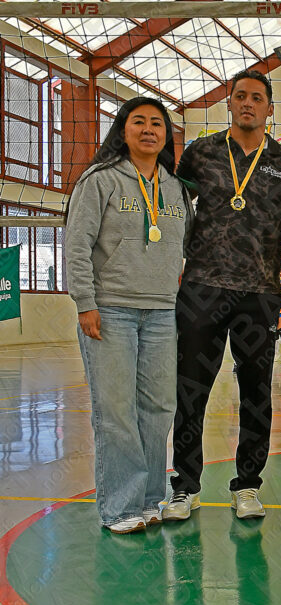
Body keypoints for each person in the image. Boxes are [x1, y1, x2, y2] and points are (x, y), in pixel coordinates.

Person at [165, 70, 281, 522]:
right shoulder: (199, 154)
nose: (248, 104)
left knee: (256, 394)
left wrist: (270, 254)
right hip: (202, 288)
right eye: (240, 96)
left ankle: (247, 485)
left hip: (260, 293)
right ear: (229, 103)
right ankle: (185, 487)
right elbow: (170, 207)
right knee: (191, 392)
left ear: (270, 108)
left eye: (257, 98)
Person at [65, 97, 192, 533]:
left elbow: (182, 248)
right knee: (116, 411)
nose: (149, 130)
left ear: (167, 135)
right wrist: (85, 303)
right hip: (111, 310)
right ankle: (120, 507)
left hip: (160, 313)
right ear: (122, 130)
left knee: (158, 408)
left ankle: (151, 497)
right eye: (138, 122)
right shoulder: (99, 180)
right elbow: (77, 244)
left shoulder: (175, 188)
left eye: (157, 123)